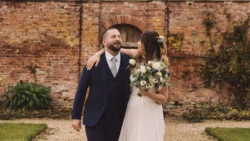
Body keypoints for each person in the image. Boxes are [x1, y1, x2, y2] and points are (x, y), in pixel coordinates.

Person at [86, 30, 169, 141]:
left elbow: (164, 98)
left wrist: (147, 93)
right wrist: (97, 54)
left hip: (149, 109)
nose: (138, 43)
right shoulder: (137, 56)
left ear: (146, 45)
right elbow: (113, 49)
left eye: (140, 41)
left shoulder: (160, 67)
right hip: (132, 107)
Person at [71, 28, 131, 141]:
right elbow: (81, 90)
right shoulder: (92, 62)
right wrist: (76, 117)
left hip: (119, 119)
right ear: (104, 42)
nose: (117, 39)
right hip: (95, 118)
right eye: (113, 36)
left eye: (119, 36)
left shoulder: (129, 61)